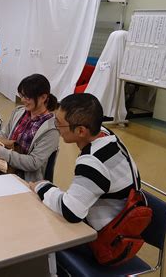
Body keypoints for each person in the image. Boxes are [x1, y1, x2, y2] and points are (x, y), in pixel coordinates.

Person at [30, 93, 141, 232]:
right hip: (121, 218)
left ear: (81, 130)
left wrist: (41, 186)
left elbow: (71, 211)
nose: (56, 126)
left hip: (107, 237)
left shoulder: (93, 161)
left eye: (59, 122)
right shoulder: (106, 134)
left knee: (39, 226)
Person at [0, 74, 59, 182]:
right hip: (1, 166)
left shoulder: (51, 130)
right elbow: (3, 136)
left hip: (25, 179)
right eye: (21, 95)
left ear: (43, 97)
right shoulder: (19, 112)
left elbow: (34, 163)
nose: (23, 100)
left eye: (27, 97)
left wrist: (2, 153)